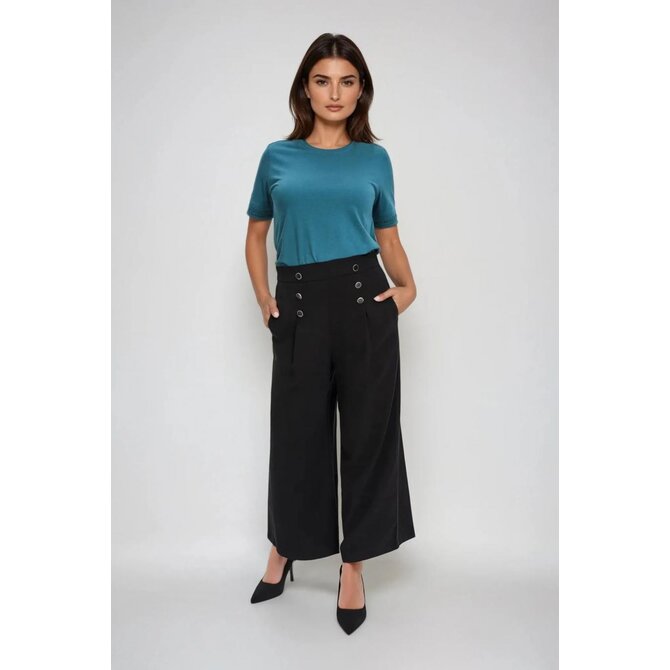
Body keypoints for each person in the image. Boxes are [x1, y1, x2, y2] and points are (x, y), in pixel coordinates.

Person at [244, 32, 417, 635]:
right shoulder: (277, 157)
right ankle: (284, 548)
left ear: (361, 89)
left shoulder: (374, 160)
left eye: (347, 81)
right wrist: (264, 298)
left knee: (368, 436)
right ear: (305, 88)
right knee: (296, 436)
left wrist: (408, 288)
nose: (335, 93)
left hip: (363, 300)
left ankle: (354, 566)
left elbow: (388, 236)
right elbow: (256, 234)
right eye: (323, 80)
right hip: (296, 306)